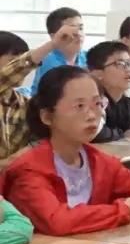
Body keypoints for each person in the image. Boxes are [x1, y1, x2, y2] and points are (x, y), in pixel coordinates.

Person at [1, 66, 130, 235]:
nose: (92, 115)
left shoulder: (100, 161)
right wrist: (124, 210)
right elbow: (57, 222)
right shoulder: (29, 169)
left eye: (97, 104)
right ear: (46, 116)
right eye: (79, 106)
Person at [0, 25, 79, 166]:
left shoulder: (24, 103)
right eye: (13, 60)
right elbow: (15, 70)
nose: (24, 71)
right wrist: (53, 45)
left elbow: (41, 138)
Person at [28, 7, 86, 95]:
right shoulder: (47, 60)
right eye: (72, 31)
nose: (79, 34)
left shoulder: (88, 57)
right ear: (53, 36)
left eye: (81, 28)